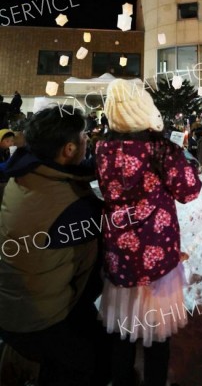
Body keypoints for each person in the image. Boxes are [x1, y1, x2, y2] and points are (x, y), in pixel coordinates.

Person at [95, 79, 202, 386]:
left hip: (119, 255)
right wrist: (186, 162)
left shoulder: (102, 148)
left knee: (123, 331)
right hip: (157, 257)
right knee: (156, 334)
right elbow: (189, 190)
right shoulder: (161, 149)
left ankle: (122, 380)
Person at [0, 105, 111, 386]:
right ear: (70, 148)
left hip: (14, 304)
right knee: (98, 359)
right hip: (39, 321)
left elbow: (79, 173)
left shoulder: (27, 169)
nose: (90, 140)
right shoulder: (73, 208)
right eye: (86, 135)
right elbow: (120, 228)